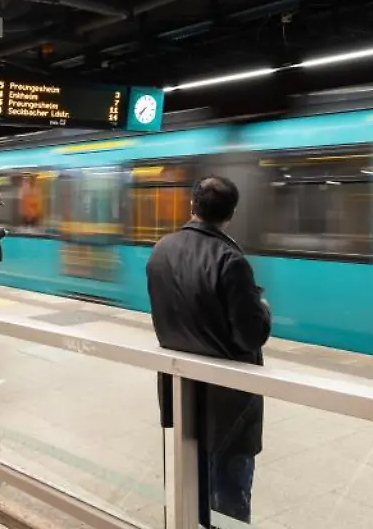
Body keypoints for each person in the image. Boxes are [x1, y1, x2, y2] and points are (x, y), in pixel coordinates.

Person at [146, 176, 271, 524]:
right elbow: (251, 336)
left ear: (193, 206)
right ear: (231, 214)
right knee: (228, 496)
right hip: (228, 403)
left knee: (188, 483)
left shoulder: (161, 250)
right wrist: (263, 310)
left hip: (180, 390)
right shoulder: (231, 260)